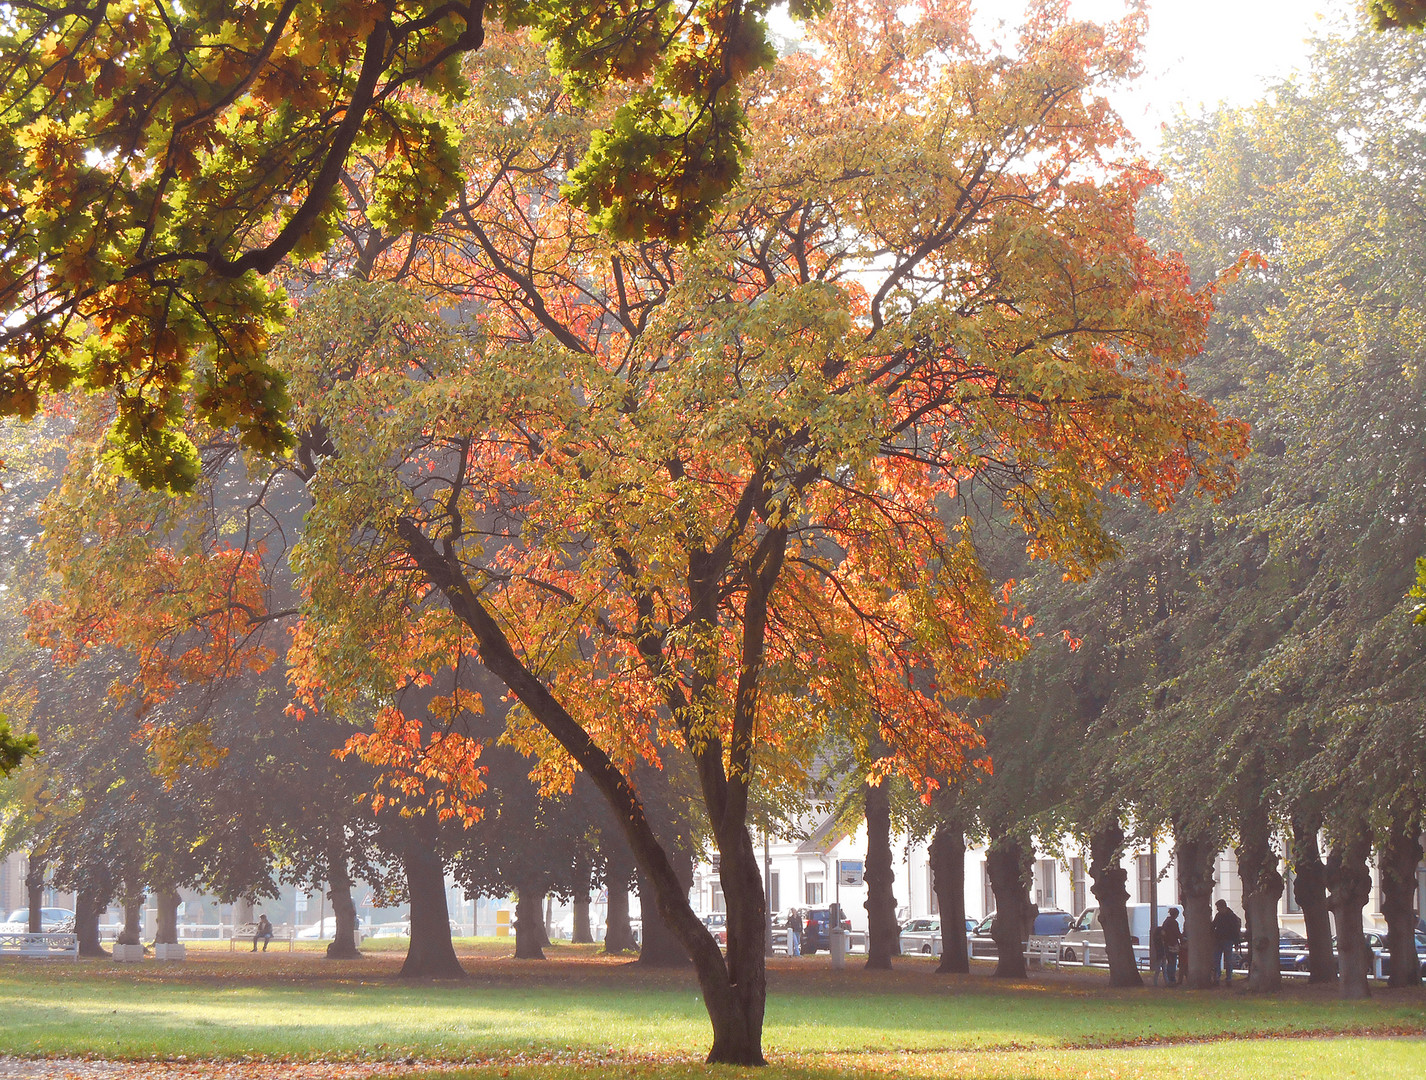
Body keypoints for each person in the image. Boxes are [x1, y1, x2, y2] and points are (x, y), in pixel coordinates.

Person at [1212, 899, 1242, 984]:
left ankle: (1227, 978)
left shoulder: (1230, 916)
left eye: (1218, 907)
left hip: (1227, 940)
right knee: (1218, 959)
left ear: (1222, 907)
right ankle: (1220, 977)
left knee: (1227, 960)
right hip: (1221, 940)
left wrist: (1236, 942)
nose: (1217, 909)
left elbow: (1235, 930)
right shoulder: (1223, 915)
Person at [1160, 907, 1183, 986]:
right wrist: (1182, 938)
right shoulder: (1174, 922)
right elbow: (1177, 933)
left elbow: (1163, 933)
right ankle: (1172, 979)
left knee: (1170, 962)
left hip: (1166, 944)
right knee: (1173, 962)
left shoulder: (1166, 922)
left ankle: (1169, 979)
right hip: (1172, 944)